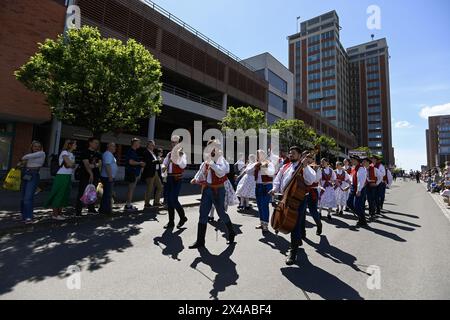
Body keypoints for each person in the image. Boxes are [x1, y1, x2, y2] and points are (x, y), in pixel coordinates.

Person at [270, 148, 316, 265]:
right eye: (290, 153)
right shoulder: (285, 166)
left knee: (294, 225)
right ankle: (297, 239)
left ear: (300, 155)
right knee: (294, 223)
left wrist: (305, 167)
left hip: (299, 199)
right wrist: (274, 189)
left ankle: (293, 251)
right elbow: (278, 179)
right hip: (285, 197)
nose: (291, 154)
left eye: (294, 153)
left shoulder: (305, 167)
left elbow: (311, 180)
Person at [189, 140, 236, 249]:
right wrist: (195, 179)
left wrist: (212, 163)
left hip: (218, 190)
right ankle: (200, 241)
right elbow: (201, 171)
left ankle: (231, 232)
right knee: (203, 214)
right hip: (207, 189)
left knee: (221, 213)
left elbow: (221, 172)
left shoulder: (221, 160)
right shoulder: (206, 160)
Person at [45, 139, 77, 220]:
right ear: (70, 145)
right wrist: (72, 164)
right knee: (59, 194)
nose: (76, 145)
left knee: (64, 195)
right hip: (61, 176)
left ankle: (59, 213)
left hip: (67, 176)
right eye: (74, 144)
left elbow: (72, 165)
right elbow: (70, 164)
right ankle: (55, 214)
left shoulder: (72, 154)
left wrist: (72, 165)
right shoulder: (64, 152)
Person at [245, 150, 275, 232]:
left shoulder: (269, 163)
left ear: (264, 155)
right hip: (258, 185)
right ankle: (262, 223)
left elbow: (271, 173)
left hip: (266, 186)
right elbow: (247, 171)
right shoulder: (255, 164)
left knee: (264, 205)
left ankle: (265, 224)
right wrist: (256, 165)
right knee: (259, 205)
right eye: (257, 155)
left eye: (260, 154)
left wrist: (263, 166)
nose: (258, 156)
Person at [162, 135, 188, 229]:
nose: (173, 144)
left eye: (175, 142)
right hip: (169, 179)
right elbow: (164, 164)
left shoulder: (181, 153)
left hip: (177, 179)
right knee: (169, 200)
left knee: (173, 199)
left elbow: (183, 166)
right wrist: (163, 168)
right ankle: (171, 222)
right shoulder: (169, 154)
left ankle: (182, 217)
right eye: (172, 142)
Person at [19, 141, 46, 224]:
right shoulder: (31, 155)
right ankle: (23, 215)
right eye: (35, 146)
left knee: (28, 197)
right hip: (25, 174)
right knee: (23, 197)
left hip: (33, 175)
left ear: (41, 148)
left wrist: (23, 159)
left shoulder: (42, 153)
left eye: (38, 146)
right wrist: (21, 164)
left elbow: (25, 156)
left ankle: (29, 217)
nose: (36, 148)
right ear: (32, 147)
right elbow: (21, 163)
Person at [75, 137, 102, 216]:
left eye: (97, 143)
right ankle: (78, 211)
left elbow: (100, 164)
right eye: (95, 142)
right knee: (82, 192)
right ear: (90, 143)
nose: (97, 144)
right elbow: (86, 164)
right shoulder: (85, 152)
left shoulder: (98, 154)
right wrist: (91, 173)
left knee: (92, 193)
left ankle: (91, 209)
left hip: (96, 175)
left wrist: (93, 165)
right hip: (85, 175)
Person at [124, 138, 146, 212]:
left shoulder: (133, 151)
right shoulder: (131, 151)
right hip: (132, 173)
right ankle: (128, 206)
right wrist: (140, 163)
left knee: (131, 189)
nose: (139, 144)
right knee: (131, 189)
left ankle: (128, 204)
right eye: (139, 143)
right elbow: (131, 162)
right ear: (135, 144)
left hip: (133, 173)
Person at [347, 155, 368, 227]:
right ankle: (361, 217)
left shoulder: (361, 168)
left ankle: (362, 220)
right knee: (349, 203)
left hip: (360, 188)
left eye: (352, 159)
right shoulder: (353, 168)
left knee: (357, 205)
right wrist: (349, 184)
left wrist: (358, 190)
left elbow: (361, 181)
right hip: (353, 187)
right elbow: (352, 178)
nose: (351, 161)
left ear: (356, 160)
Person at [142, 140, 163, 208]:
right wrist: (158, 161)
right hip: (149, 172)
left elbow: (155, 162)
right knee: (149, 188)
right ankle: (147, 203)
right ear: (148, 145)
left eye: (153, 145)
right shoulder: (146, 152)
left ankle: (156, 202)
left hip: (155, 172)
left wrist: (158, 161)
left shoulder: (153, 153)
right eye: (151, 145)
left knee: (160, 187)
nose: (153, 146)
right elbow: (148, 162)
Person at [99, 142, 118, 215]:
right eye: (113, 146)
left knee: (107, 194)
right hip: (107, 177)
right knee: (108, 194)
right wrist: (110, 176)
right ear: (108, 147)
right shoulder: (108, 154)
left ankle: (103, 209)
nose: (115, 148)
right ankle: (106, 211)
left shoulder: (109, 154)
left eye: (115, 146)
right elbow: (107, 165)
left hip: (108, 177)